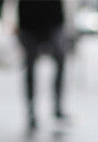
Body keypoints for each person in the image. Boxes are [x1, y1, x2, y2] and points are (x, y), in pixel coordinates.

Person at [15, 0, 71, 132]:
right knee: (30, 66)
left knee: (60, 59)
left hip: (53, 20)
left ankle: (57, 107)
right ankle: (31, 111)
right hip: (29, 22)